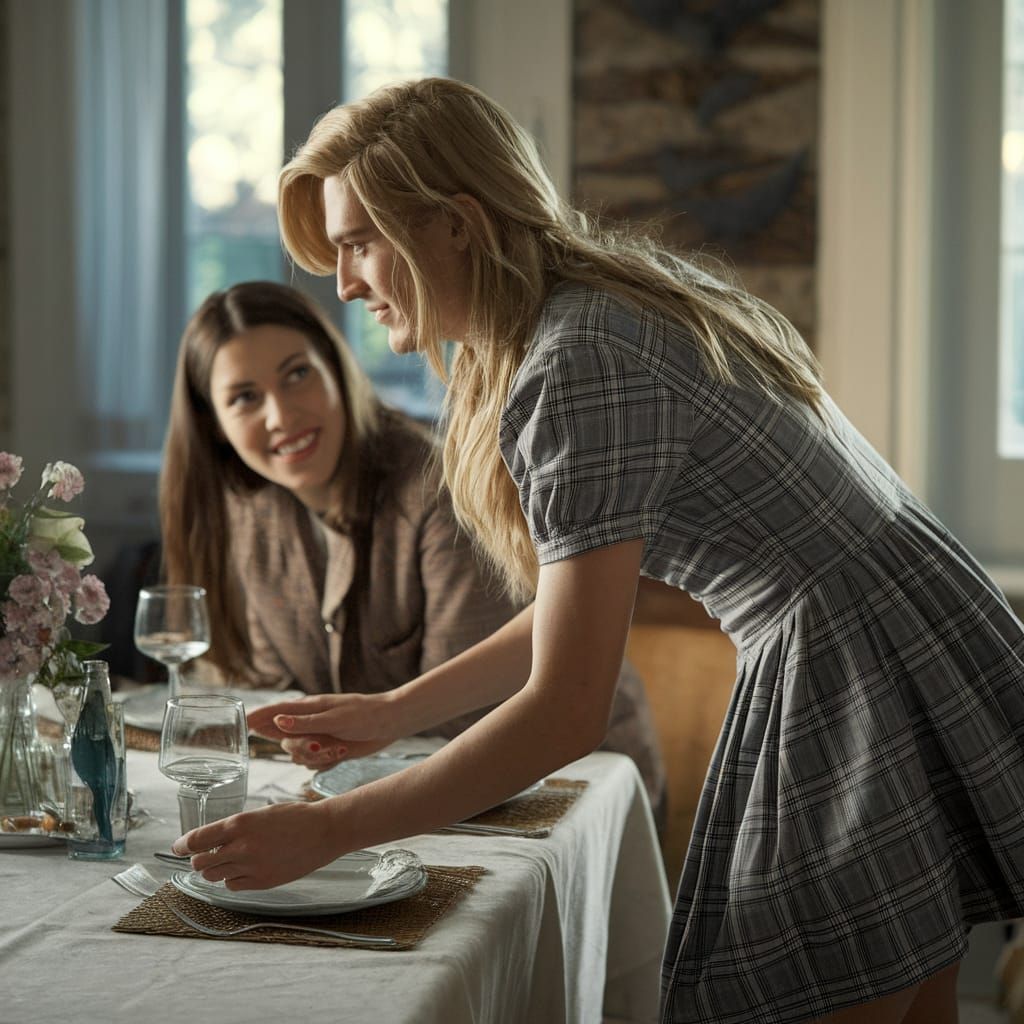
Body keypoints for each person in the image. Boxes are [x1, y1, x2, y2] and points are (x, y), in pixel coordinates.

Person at [172, 79, 1024, 1024]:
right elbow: (571, 610)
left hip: (845, 664)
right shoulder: (593, 310)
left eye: (360, 243)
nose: (345, 283)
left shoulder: (574, 365)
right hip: (902, 621)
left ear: (455, 224)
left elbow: (568, 709)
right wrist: (395, 711)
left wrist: (328, 830)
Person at [158, 279, 666, 823]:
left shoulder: (436, 490)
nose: (281, 416)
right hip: (414, 784)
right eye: (245, 398)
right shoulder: (249, 516)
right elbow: (269, 692)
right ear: (215, 426)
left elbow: (463, 716)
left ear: (339, 369)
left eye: (298, 374)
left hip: (581, 790)